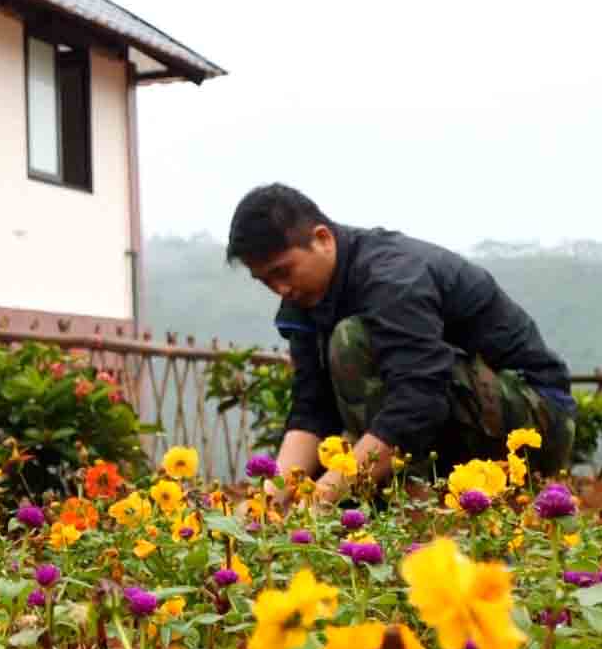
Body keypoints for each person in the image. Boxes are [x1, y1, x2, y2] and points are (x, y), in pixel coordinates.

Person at [225, 183, 574, 500]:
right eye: (266, 280)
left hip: (535, 423)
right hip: (454, 416)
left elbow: (419, 397)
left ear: (323, 239)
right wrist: (269, 503)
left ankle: (412, 497)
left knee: (350, 340)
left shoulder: (392, 278)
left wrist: (321, 499)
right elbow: (312, 410)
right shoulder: (304, 301)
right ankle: (393, 489)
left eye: (284, 271)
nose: (280, 289)